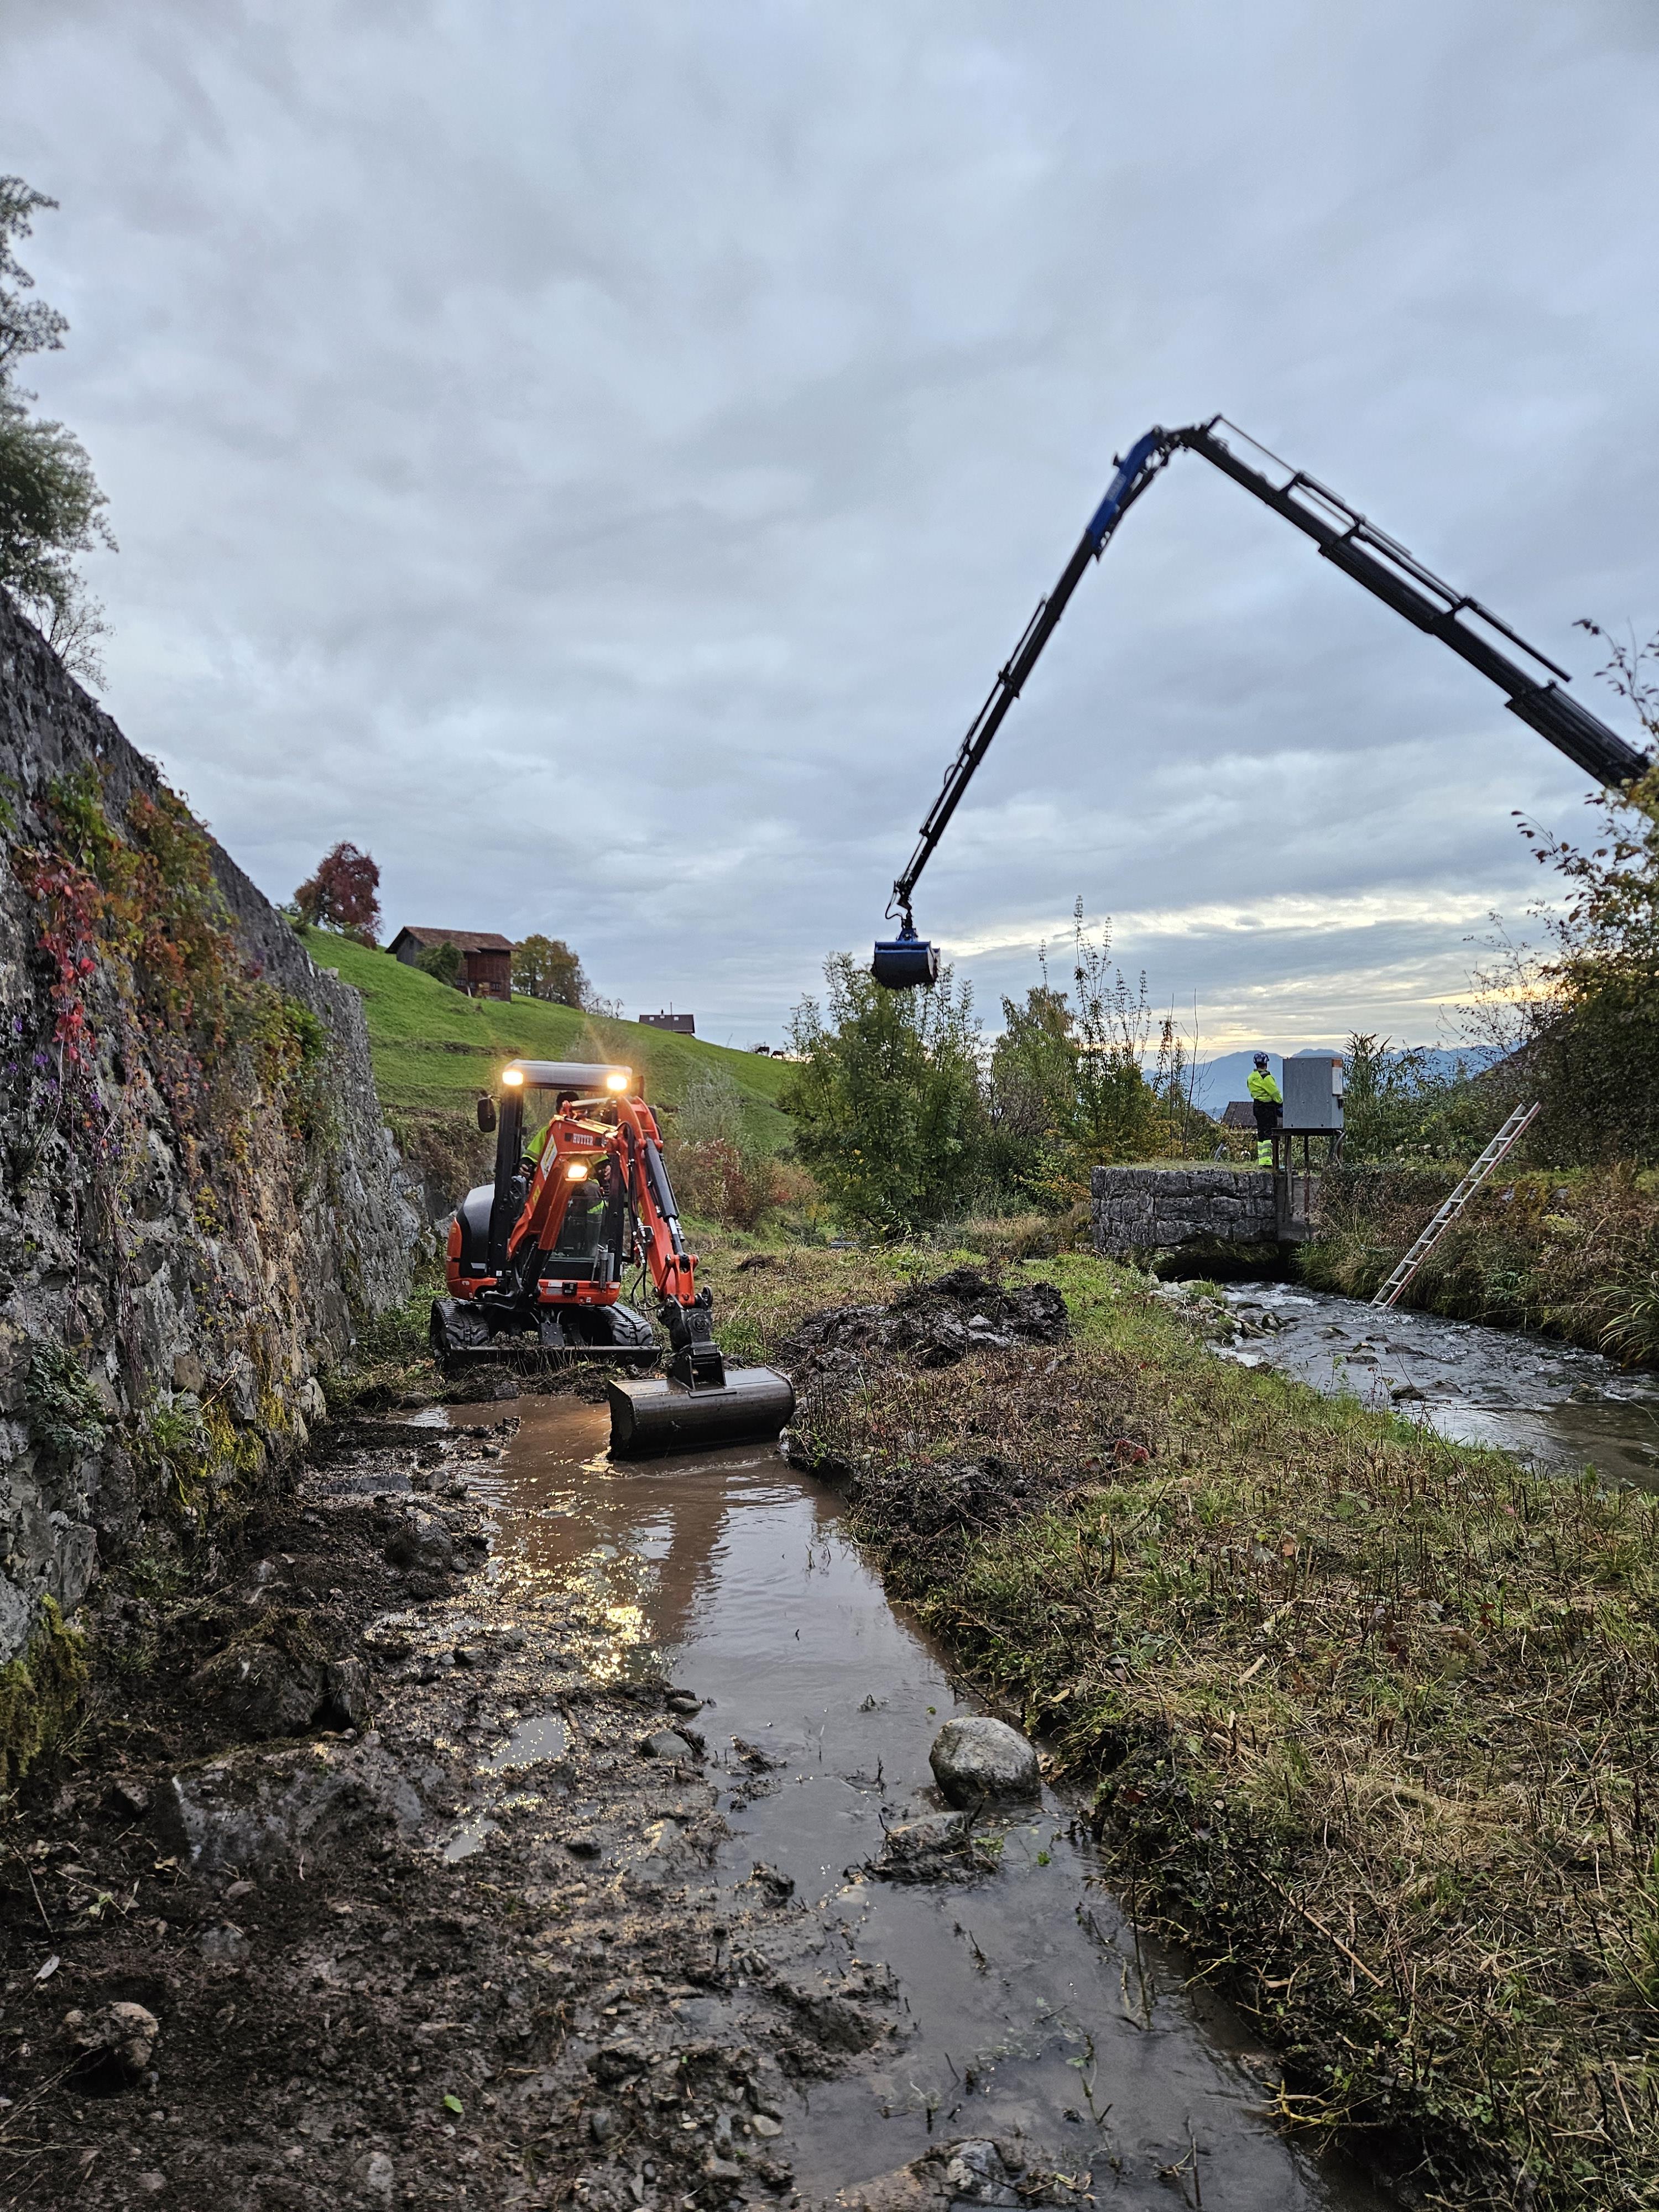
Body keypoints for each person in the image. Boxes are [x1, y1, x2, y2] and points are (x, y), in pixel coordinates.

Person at [1246, 1052, 1282, 1168]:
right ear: (1266, 1064)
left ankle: (1262, 1159)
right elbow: (1275, 1093)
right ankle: (1267, 1161)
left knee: (1261, 1133)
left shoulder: (1251, 1077)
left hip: (1257, 1106)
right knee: (1269, 1133)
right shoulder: (1267, 1078)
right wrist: (1281, 1103)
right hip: (1268, 1107)